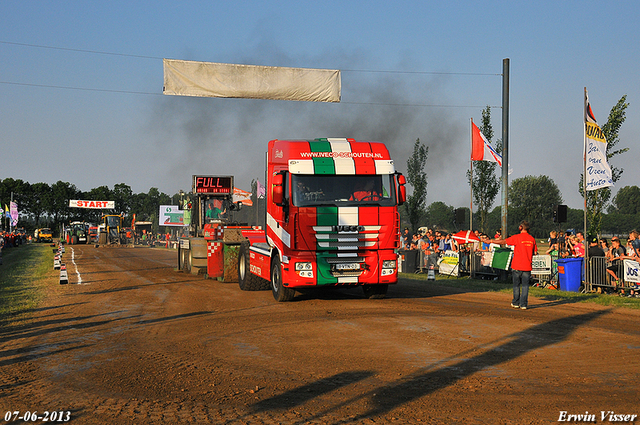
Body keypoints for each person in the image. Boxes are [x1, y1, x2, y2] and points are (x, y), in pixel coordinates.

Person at [487, 220, 538, 310]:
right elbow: (535, 252)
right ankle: (524, 304)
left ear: (520, 228)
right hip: (527, 266)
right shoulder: (532, 239)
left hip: (517, 265)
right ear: (529, 229)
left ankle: (516, 302)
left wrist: (491, 241)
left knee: (516, 285)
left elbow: (503, 242)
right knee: (525, 286)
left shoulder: (517, 237)